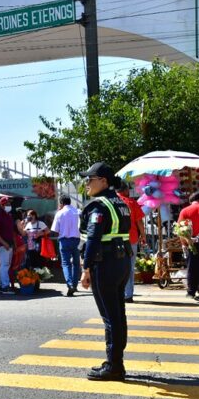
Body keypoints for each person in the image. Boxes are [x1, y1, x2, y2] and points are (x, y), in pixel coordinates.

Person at [78, 163, 132, 381]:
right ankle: (116, 361)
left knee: (110, 318)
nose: (86, 184)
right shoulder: (121, 202)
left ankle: (114, 366)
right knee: (119, 315)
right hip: (122, 264)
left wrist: (85, 268)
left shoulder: (99, 206)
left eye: (90, 179)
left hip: (105, 264)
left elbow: (92, 240)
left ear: (104, 181)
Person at [117, 184, 146, 303]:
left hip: (115, 240)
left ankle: (119, 293)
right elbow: (139, 222)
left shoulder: (111, 202)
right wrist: (143, 236)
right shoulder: (132, 203)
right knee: (129, 267)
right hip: (131, 239)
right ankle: (128, 294)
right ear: (125, 190)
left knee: (117, 267)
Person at [177, 192, 199, 298]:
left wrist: (184, 244)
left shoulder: (185, 211)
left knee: (192, 266)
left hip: (191, 241)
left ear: (191, 201)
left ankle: (191, 291)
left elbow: (180, 229)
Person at [51, 195, 81, 297]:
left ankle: (70, 284)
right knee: (76, 264)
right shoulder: (77, 212)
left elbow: (55, 230)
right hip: (76, 240)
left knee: (66, 264)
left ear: (61, 203)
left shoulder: (59, 213)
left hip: (64, 241)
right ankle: (75, 285)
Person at [0, 197, 16, 295]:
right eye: (6, 204)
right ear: (1, 205)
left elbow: (11, 231)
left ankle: (2, 285)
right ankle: (5, 287)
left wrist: (13, 243)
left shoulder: (9, 215)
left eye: (9, 204)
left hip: (9, 244)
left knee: (6, 265)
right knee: (5, 265)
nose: (8, 206)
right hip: (2, 246)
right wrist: (4, 243)